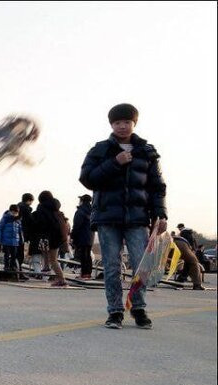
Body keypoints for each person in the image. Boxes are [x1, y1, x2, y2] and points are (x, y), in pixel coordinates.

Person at [79, 103, 167, 329]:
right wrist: (114, 163)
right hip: (108, 218)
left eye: (126, 122)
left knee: (141, 265)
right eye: (117, 122)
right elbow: (87, 179)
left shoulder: (147, 152)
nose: (122, 126)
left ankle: (138, 307)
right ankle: (115, 311)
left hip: (138, 218)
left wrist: (160, 214)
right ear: (111, 124)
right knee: (111, 266)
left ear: (134, 123)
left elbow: (157, 187)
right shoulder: (100, 150)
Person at [31, 191, 67, 286]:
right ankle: (51, 271)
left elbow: (40, 224)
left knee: (53, 260)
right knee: (52, 258)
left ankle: (61, 279)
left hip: (49, 236)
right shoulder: (56, 208)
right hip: (59, 236)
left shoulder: (42, 209)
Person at [0, 204, 22, 279]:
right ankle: (6, 266)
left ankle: (12, 266)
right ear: (10, 211)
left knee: (14, 255)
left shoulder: (18, 220)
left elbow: (20, 230)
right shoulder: (5, 218)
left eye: (16, 213)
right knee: (6, 255)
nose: (14, 214)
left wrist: (21, 239)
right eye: (13, 212)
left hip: (15, 241)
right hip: (6, 240)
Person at [71, 194, 94, 279]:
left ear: (82, 201)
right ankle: (87, 274)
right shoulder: (92, 211)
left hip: (81, 237)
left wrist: (73, 236)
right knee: (88, 256)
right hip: (90, 237)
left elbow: (77, 225)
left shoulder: (80, 211)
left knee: (83, 256)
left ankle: (84, 274)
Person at [17, 193, 36, 276]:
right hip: (22, 233)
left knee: (17, 252)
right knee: (20, 253)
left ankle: (17, 269)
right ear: (29, 200)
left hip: (17, 233)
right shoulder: (26, 209)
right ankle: (19, 271)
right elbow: (30, 221)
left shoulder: (18, 207)